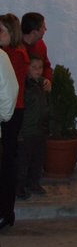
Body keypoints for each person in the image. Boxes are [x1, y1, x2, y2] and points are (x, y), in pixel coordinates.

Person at [0, 13, 28, 230]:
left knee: (7, 163)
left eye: (1, 31)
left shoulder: (15, 54)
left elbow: (10, 91)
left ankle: (6, 212)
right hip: (8, 111)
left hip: (10, 112)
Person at [16, 56, 49, 200]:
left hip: (40, 130)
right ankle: (19, 188)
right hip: (26, 131)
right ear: (27, 68)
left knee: (38, 159)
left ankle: (34, 183)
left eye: (40, 67)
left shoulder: (41, 84)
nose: (37, 70)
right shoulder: (24, 86)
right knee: (23, 162)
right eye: (34, 67)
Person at [21, 12, 53, 92]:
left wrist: (47, 80)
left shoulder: (41, 45)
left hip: (36, 95)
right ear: (34, 32)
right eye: (43, 27)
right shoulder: (15, 47)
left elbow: (46, 66)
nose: (45, 29)